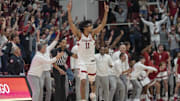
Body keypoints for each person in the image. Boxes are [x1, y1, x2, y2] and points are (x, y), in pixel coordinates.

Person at [67, 0, 109, 101]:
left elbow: (102, 25)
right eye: (90, 25)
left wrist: (106, 13)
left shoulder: (93, 34)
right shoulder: (79, 35)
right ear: (85, 28)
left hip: (91, 61)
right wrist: (69, 11)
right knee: (83, 81)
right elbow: (71, 24)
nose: (91, 27)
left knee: (92, 82)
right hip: (82, 61)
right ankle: (83, 99)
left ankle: (93, 94)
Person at [38, 31, 60, 101]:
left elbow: (55, 41)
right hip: (40, 72)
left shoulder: (48, 49)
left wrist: (58, 34)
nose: (44, 44)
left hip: (47, 71)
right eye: (43, 43)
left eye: (44, 43)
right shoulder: (38, 50)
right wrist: (38, 35)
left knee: (49, 89)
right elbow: (38, 42)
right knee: (40, 88)